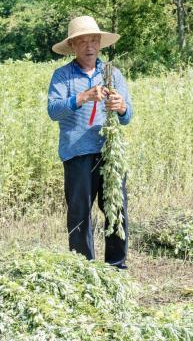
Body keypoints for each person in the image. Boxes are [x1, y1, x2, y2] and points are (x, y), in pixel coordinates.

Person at [47, 16, 133, 269]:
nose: (89, 47)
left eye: (93, 41)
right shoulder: (62, 76)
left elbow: (128, 117)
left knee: (116, 210)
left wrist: (121, 107)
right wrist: (83, 97)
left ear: (100, 44)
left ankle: (116, 267)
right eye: (82, 42)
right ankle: (84, 268)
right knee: (80, 213)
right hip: (77, 153)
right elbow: (53, 110)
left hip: (109, 152)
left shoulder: (112, 74)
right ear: (73, 45)